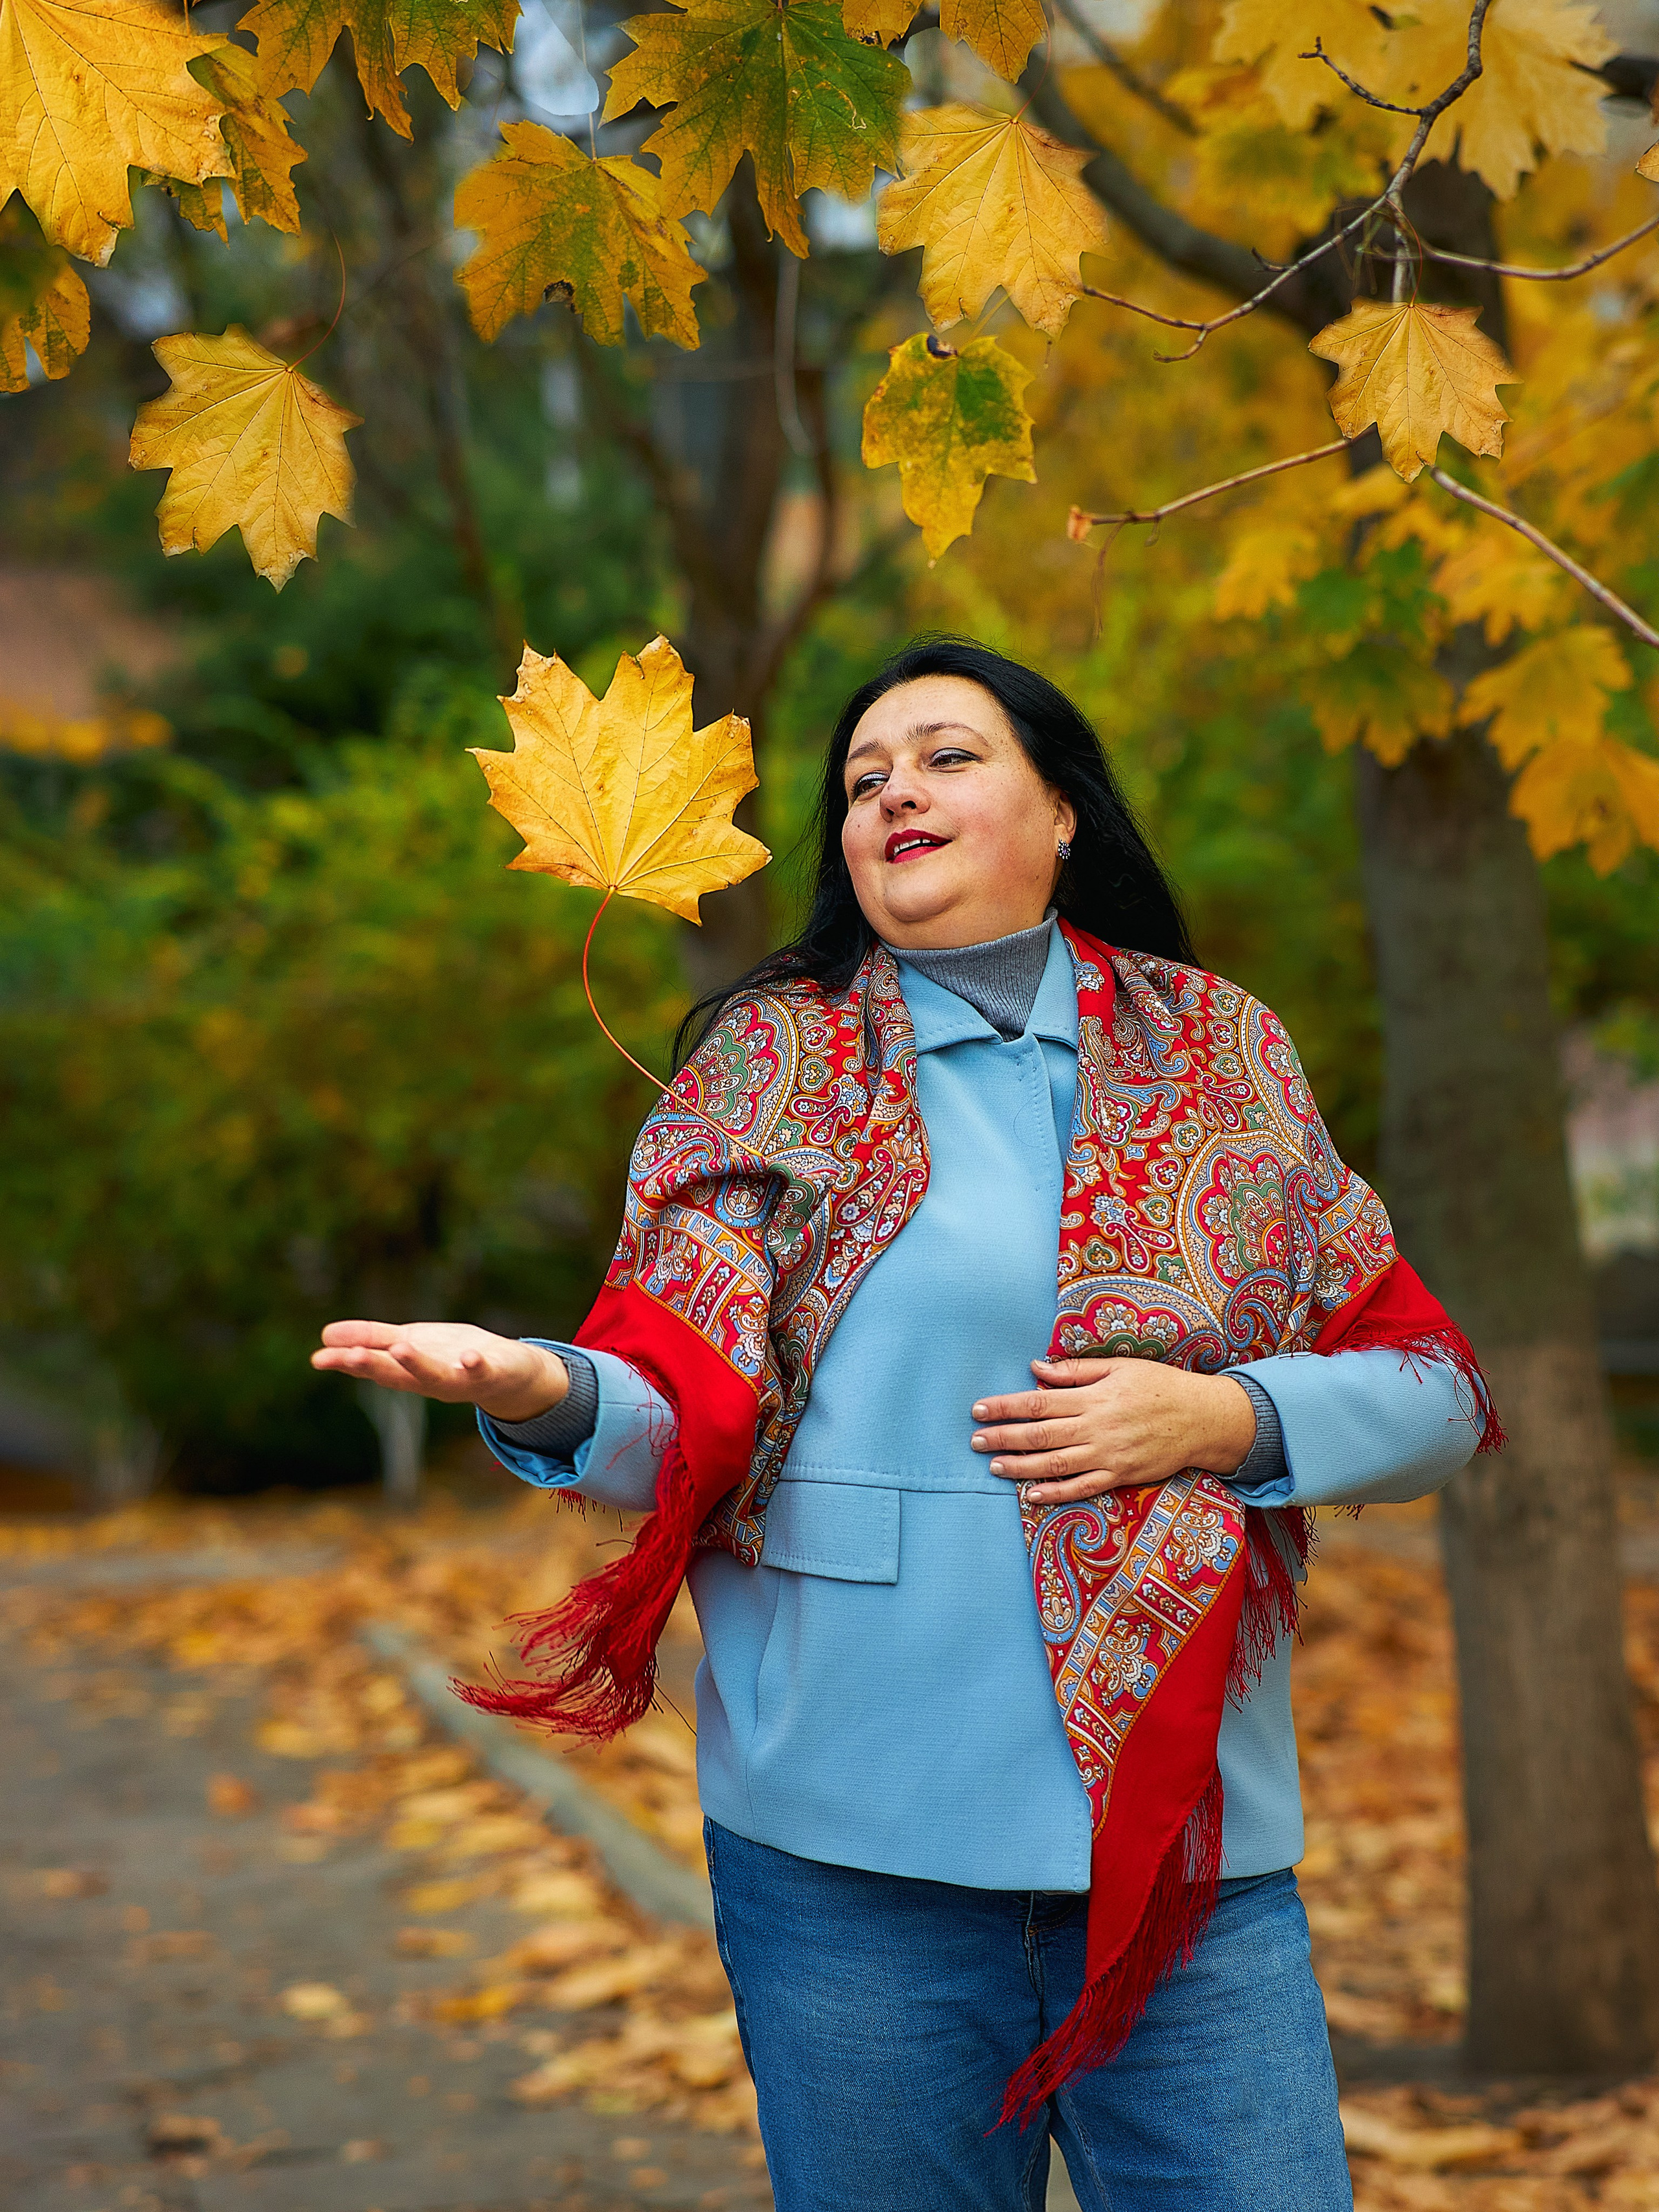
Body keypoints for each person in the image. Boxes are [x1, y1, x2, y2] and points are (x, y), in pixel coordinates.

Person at [314, 638, 1496, 2212]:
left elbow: (1433, 1398)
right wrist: (540, 1390)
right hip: (849, 1850)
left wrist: (1223, 1414)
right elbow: (675, 1414)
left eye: (944, 756)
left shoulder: (1221, 1051)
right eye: (863, 778)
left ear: (1062, 809)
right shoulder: (768, 1059)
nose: (894, 794)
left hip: (1183, 1856)